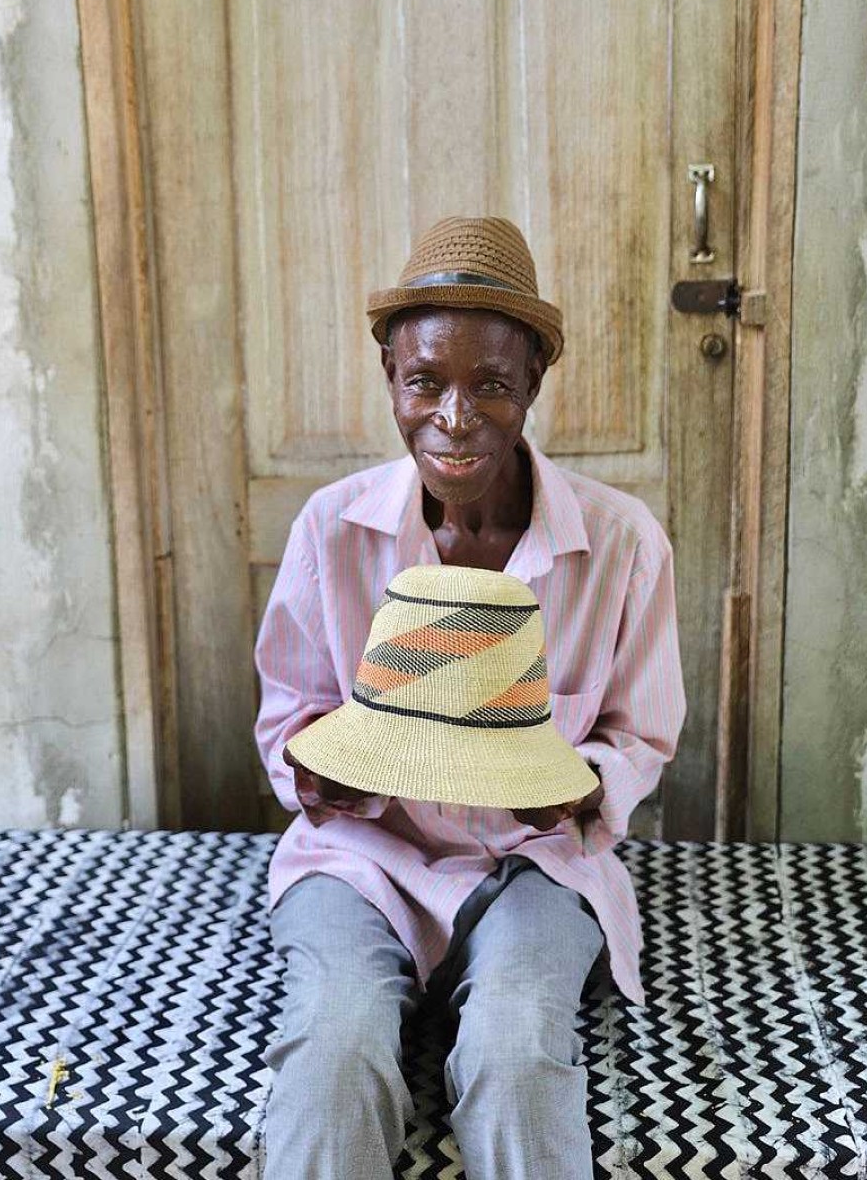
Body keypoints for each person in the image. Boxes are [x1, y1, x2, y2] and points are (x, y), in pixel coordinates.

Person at [254, 215, 687, 1180]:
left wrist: (574, 787)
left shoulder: (621, 544)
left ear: (533, 383)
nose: (455, 416)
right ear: (390, 381)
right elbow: (288, 719)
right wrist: (334, 777)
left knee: (517, 1047)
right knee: (332, 1050)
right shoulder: (331, 530)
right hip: (362, 855)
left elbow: (640, 734)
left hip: (537, 860)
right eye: (425, 381)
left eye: (491, 383)